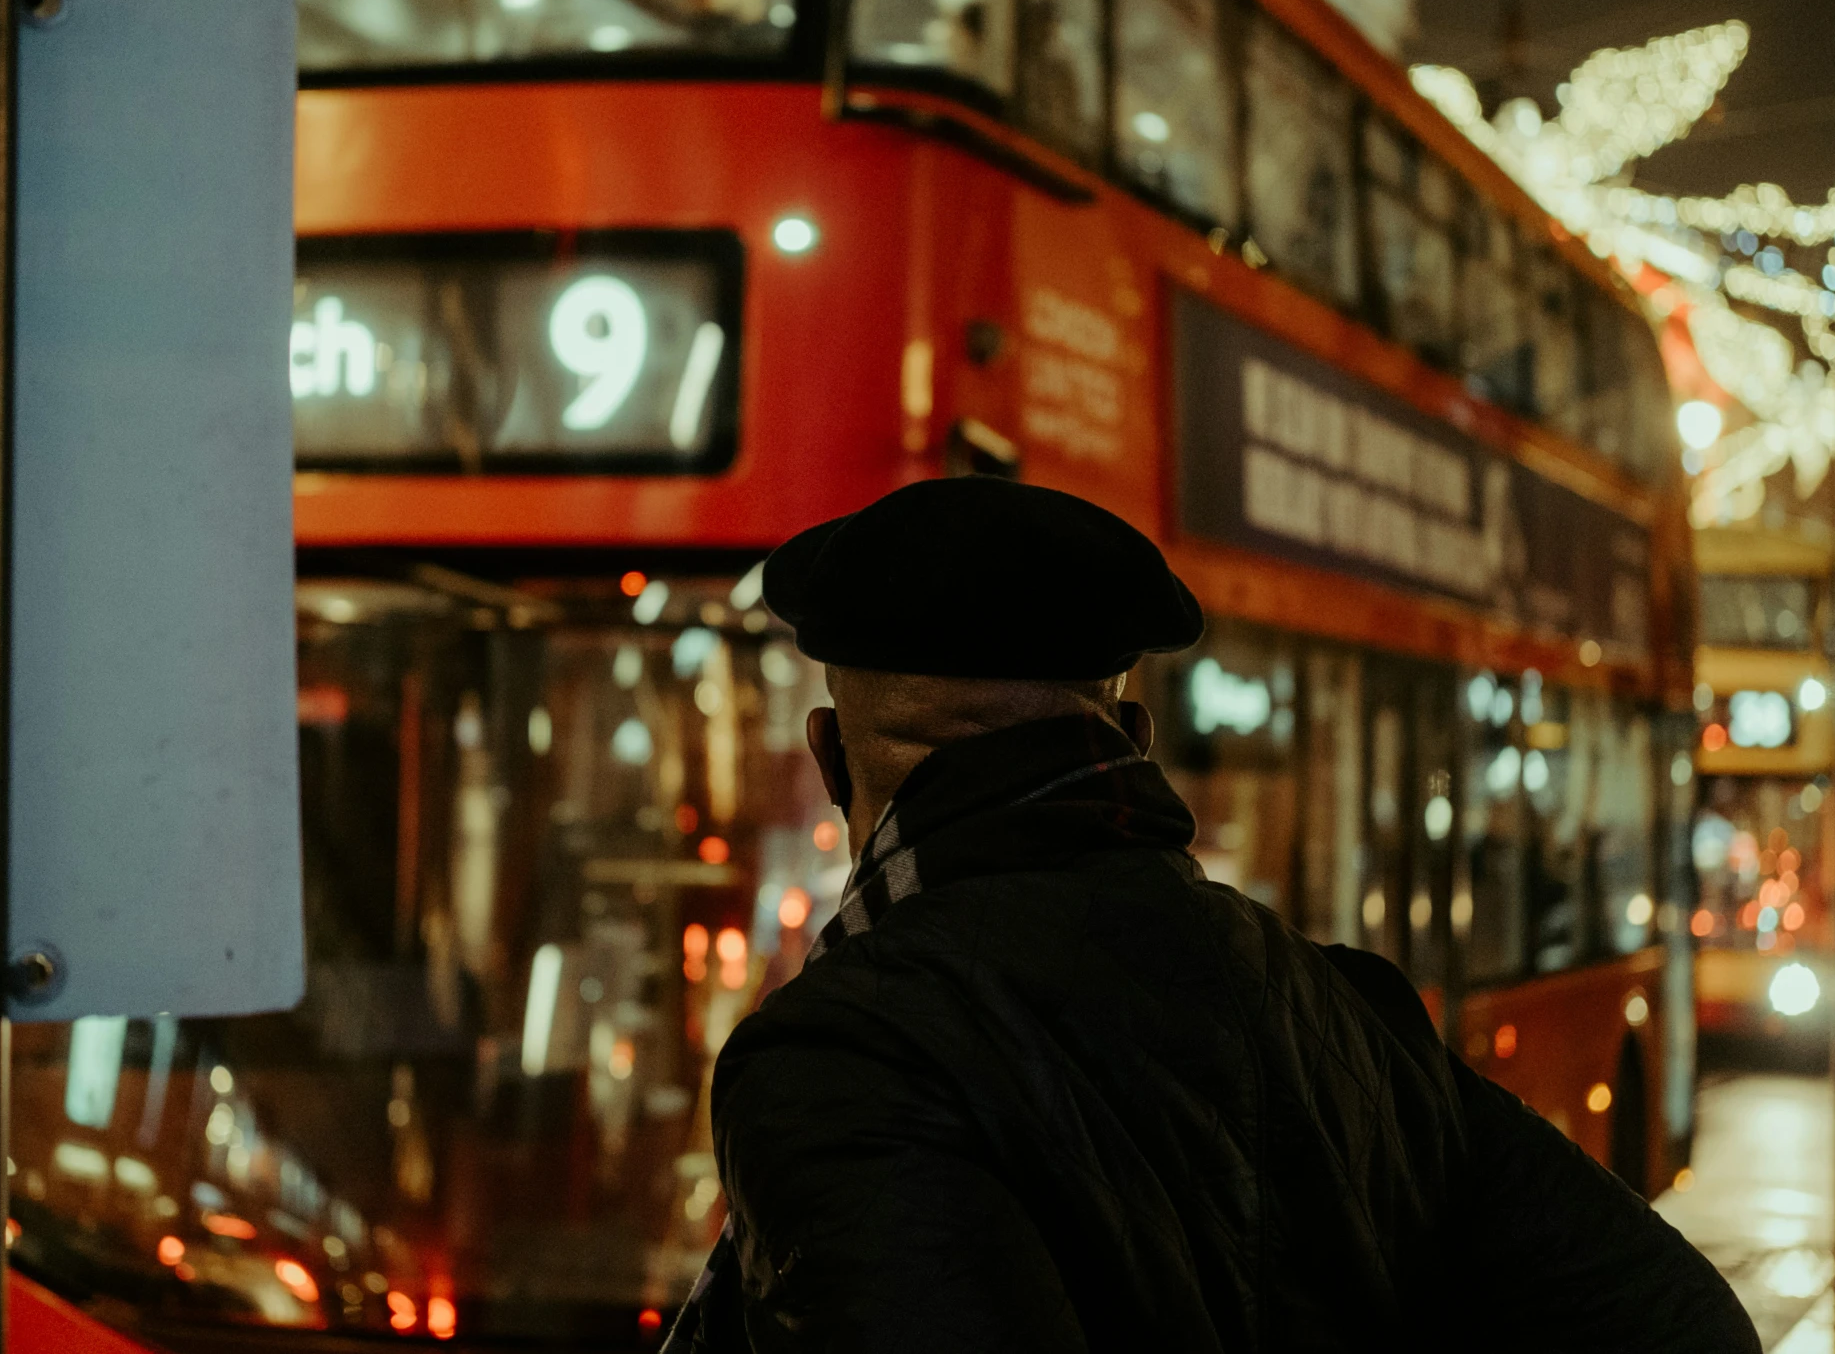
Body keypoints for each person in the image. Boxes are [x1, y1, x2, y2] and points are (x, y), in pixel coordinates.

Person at [664, 476, 1757, 1353]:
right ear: (1131, 732)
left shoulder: (837, 1054)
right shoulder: (1342, 1008)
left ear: (826, 756)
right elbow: (1684, 1324)